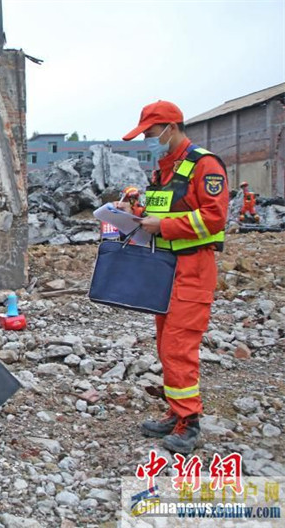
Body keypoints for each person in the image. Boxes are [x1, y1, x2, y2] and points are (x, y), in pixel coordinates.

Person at [119, 100, 229, 454]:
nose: (149, 140)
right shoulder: (165, 170)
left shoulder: (204, 165)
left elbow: (213, 218)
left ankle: (189, 421)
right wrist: (132, 212)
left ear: (170, 127)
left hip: (193, 268)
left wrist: (163, 225)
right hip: (167, 269)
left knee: (179, 347)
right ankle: (176, 410)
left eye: (151, 134)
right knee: (166, 344)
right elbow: (158, 212)